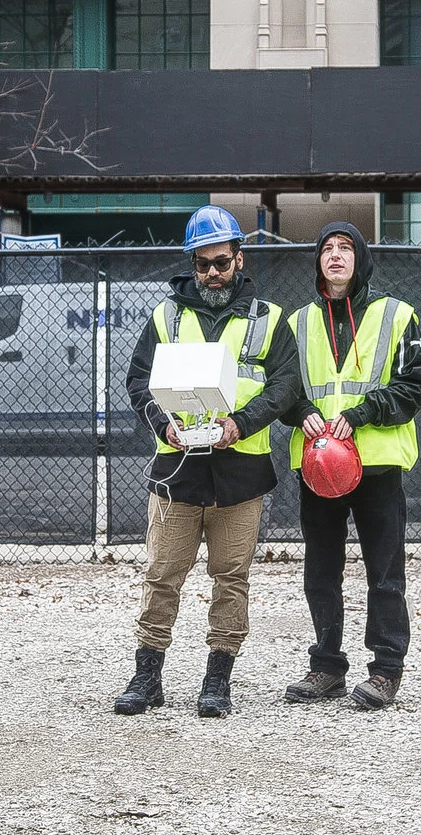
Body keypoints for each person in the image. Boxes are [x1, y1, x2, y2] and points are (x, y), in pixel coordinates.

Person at [115, 206, 300, 719]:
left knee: (230, 577)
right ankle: (147, 676)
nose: (212, 273)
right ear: (193, 264)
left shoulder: (269, 320)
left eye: (221, 262)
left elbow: (286, 386)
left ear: (239, 259)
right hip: (177, 471)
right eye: (203, 265)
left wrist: (240, 423)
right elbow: (137, 380)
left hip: (240, 474)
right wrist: (162, 424)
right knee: (162, 574)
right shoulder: (166, 317)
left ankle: (218, 679)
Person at [281, 223, 421, 711]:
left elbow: (415, 386)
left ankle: (386, 670)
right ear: (318, 262)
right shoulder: (298, 323)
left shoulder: (396, 316)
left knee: (384, 571)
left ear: (360, 258)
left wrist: (363, 412)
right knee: (321, 571)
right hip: (318, 465)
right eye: (327, 249)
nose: (336, 256)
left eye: (346, 248)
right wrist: (300, 413)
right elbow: (280, 388)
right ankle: (326, 667)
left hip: (378, 467)